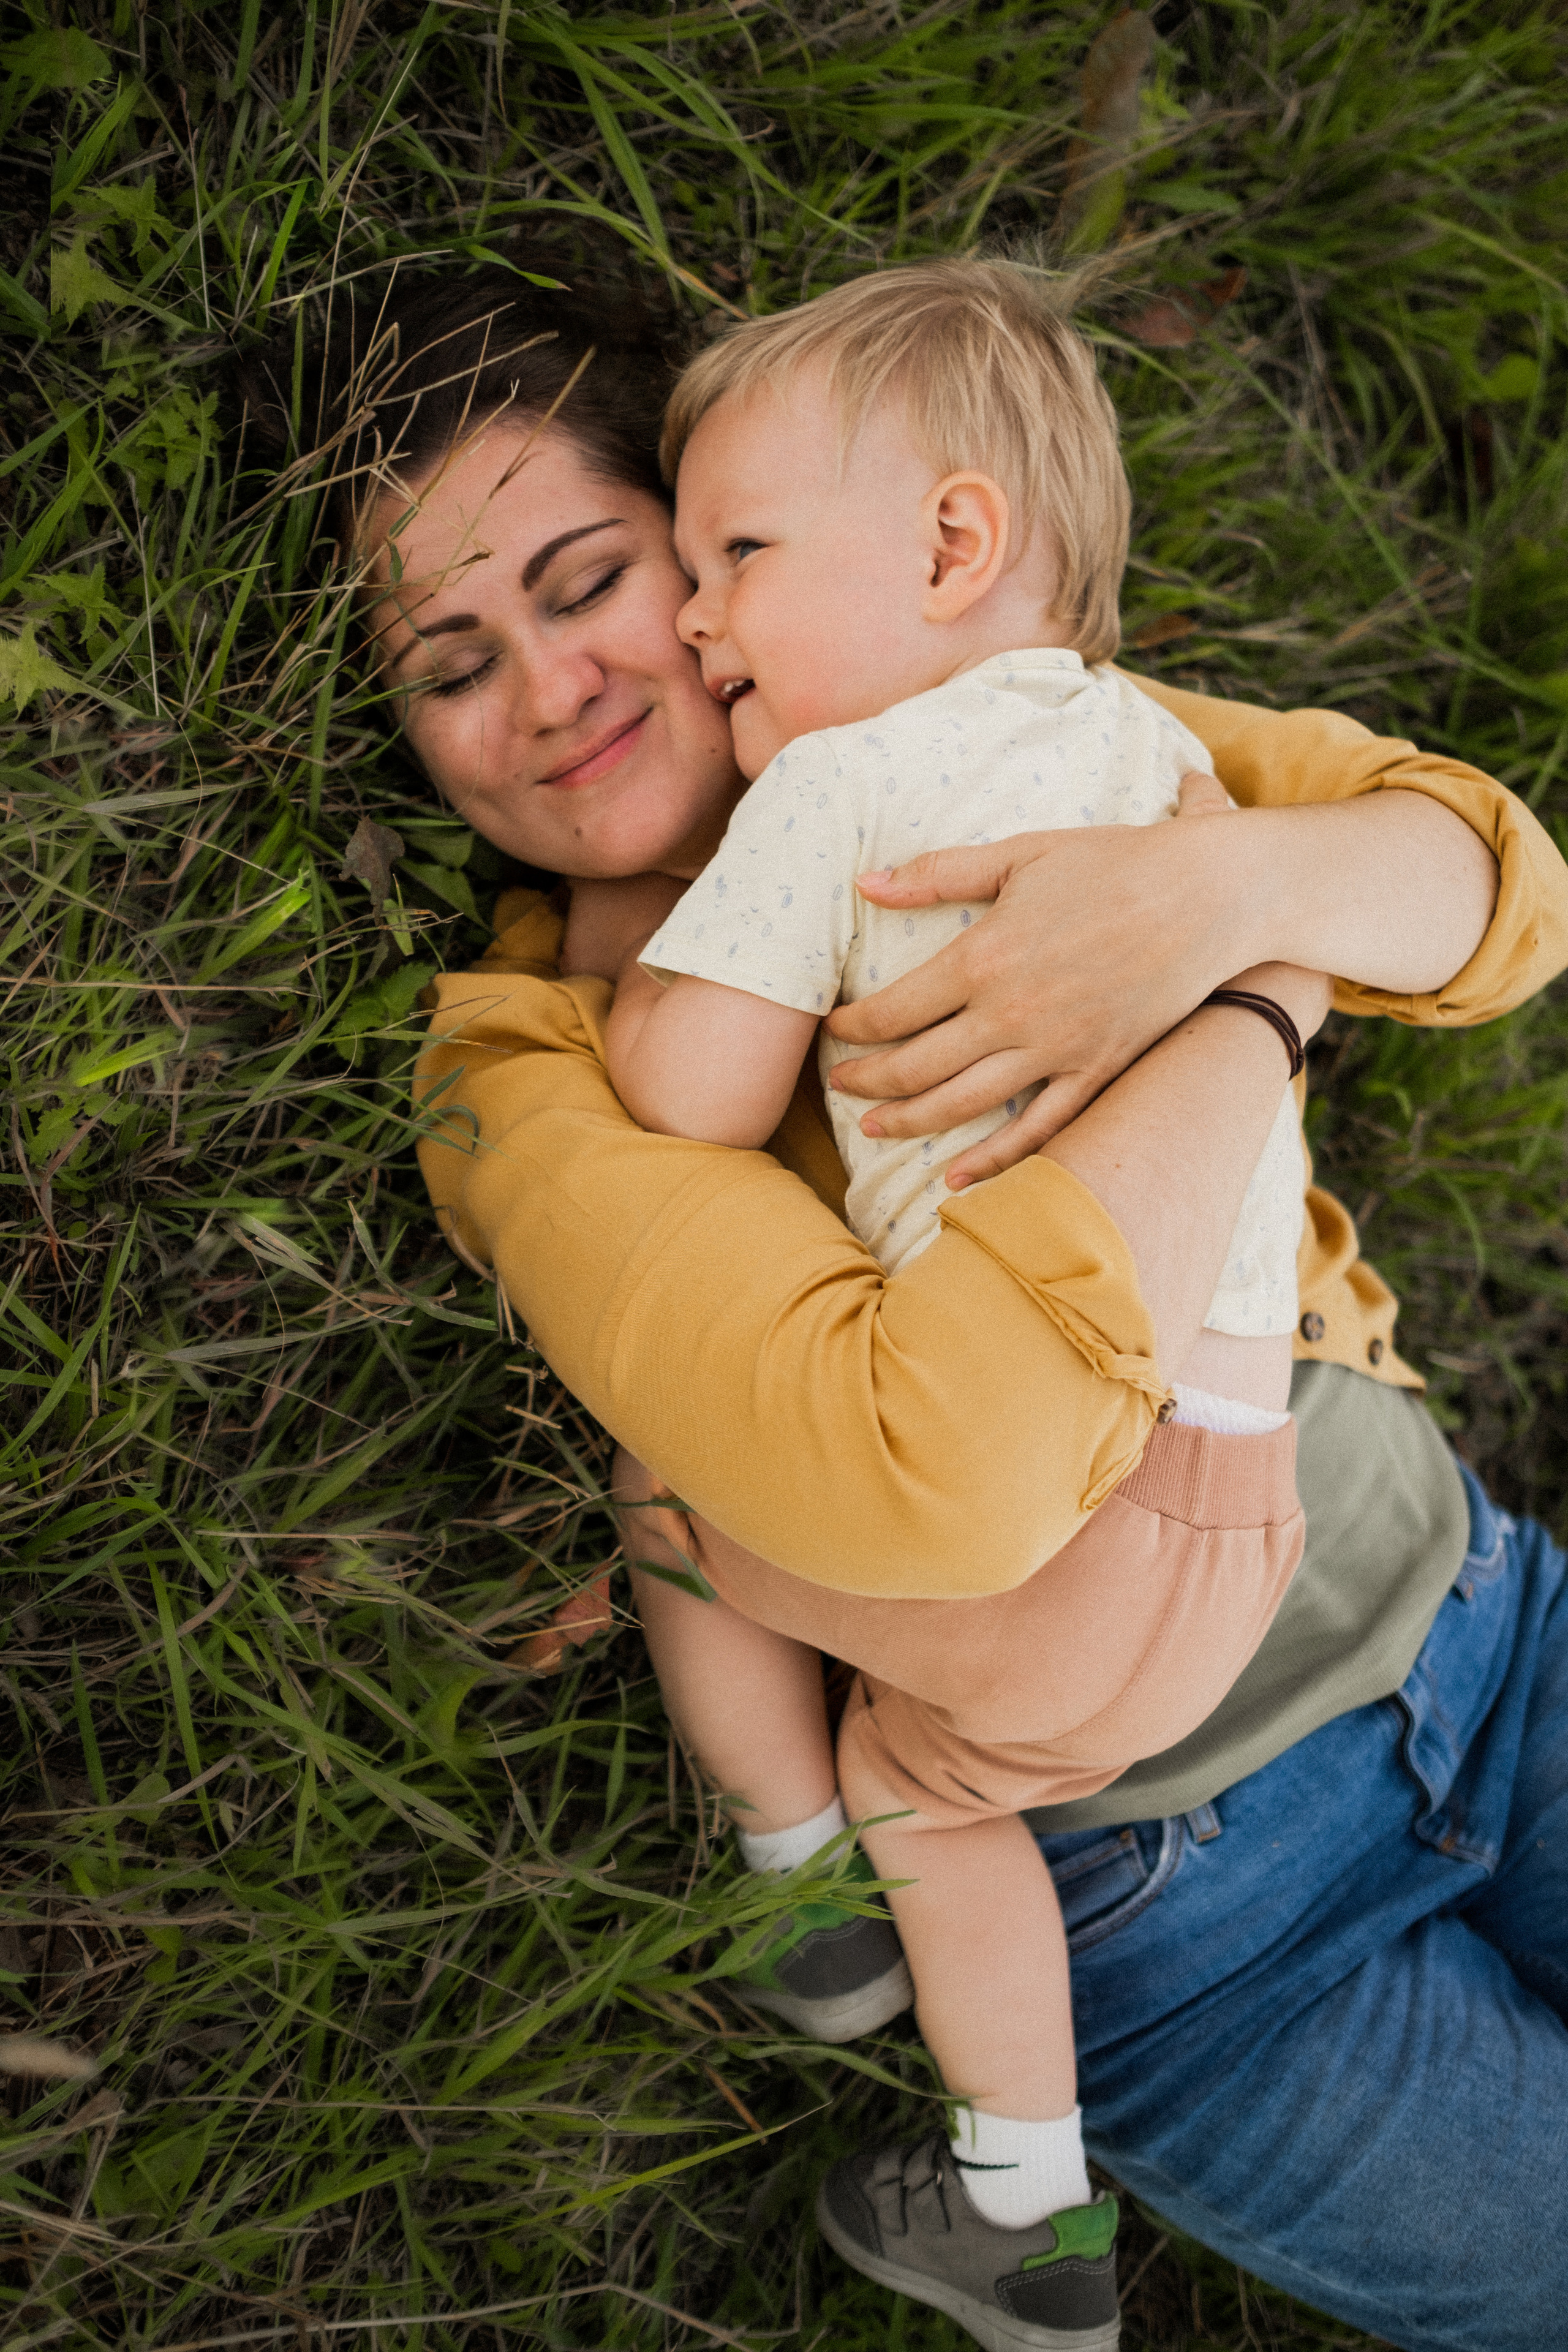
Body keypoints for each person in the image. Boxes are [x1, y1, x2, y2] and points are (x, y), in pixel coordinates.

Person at [234, 258, 1568, 2352]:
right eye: (450, 665)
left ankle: (801, 1885)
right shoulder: (526, 1075)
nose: (560, 686)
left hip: (1483, 1610)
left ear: (710, 558)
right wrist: (1254, 997)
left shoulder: (1006, 727)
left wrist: (1226, 883)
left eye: (599, 581)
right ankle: (898, 2002)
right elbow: (937, 1473)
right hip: (1184, 1903)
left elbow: (1498, 886)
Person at [594, 257, 1315, 2348]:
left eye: (735, 557)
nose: (697, 622)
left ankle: (803, 1889)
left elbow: (687, 1095)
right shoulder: (1172, 777)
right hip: (1235, 1522)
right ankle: (1020, 2207)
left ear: (949, 545)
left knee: (669, 1493)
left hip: (1048, 1524)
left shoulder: (840, 785)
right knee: (946, 1771)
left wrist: (641, 976)